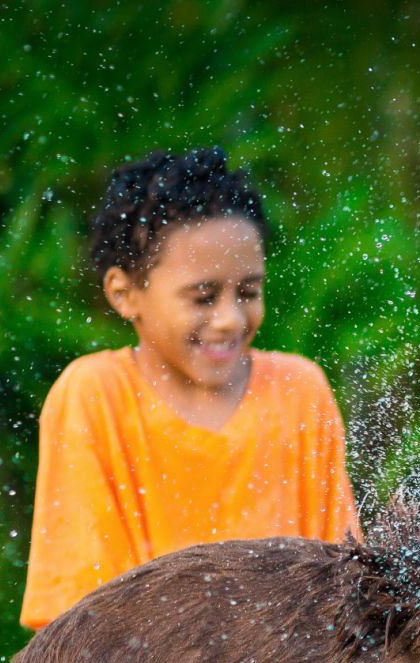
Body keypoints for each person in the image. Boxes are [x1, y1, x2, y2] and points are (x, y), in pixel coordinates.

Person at [20, 147, 361, 630]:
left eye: (248, 292)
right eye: (203, 297)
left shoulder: (299, 390)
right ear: (125, 294)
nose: (229, 319)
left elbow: (346, 590)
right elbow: (80, 624)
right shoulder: (94, 396)